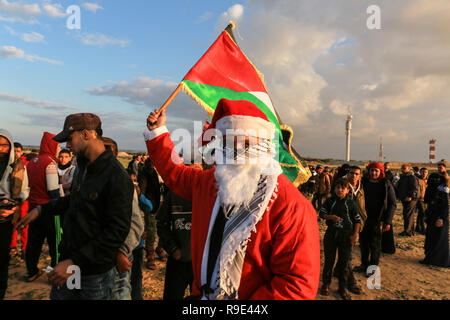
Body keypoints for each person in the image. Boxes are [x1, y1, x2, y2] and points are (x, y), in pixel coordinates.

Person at [144, 99, 320, 300]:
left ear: (264, 144)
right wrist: (158, 133)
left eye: (246, 143)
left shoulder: (291, 206)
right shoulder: (211, 182)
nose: (237, 151)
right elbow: (175, 173)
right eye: (228, 141)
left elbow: (296, 286)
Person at [16, 113, 134, 300]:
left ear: (86, 134)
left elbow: (116, 232)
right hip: (69, 262)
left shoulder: (116, 176)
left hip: (94, 275)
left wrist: (74, 263)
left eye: (69, 139)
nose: (67, 146)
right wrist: (41, 210)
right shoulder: (82, 166)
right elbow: (74, 201)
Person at [156, 161, 201, 300]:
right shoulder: (175, 195)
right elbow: (161, 222)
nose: (195, 176)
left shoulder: (209, 196)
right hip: (178, 262)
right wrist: (173, 248)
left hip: (201, 265)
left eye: (198, 173)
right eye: (191, 172)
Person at [25, 132, 61, 282]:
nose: (59, 148)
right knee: (55, 244)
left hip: (33, 208)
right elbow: (53, 190)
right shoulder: (50, 163)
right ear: (51, 145)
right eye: (58, 145)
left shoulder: (33, 161)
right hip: (48, 210)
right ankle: (53, 276)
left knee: (33, 243)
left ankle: (31, 272)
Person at [319, 178, 361, 300]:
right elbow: (321, 214)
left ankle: (342, 288)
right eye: (337, 188)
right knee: (329, 261)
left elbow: (357, 220)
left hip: (346, 236)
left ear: (348, 190)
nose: (340, 190)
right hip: (331, 234)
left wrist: (355, 235)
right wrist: (330, 217)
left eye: (343, 188)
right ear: (334, 189)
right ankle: (326, 284)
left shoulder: (351, 203)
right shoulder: (329, 201)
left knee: (344, 263)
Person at [0, 130, 29, 299]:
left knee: (2, 260)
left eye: (4, 145)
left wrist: (15, 203)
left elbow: (25, 189)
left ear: (10, 146)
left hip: (6, 218)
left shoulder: (17, 166)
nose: (1, 149)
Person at [354, 162, 396, 276]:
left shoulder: (385, 184)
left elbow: (392, 204)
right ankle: (364, 264)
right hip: (363, 218)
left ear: (381, 172)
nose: (373, 173)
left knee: (375, 245)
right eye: (371, 170)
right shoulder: (364, 183)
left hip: (378, 219)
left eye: (376, 171)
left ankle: (372, 268)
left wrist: (388, 221)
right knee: (363, 243)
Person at [138, 157, 166, 269]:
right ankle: (150, 254)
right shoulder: (147, 171)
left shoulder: (166, 168)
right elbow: (142, 189)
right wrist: (145, 203)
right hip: (152, 204)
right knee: (151, 229)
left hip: (165, 203)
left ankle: (160, 248)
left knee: (165, 227)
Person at [420, 173, 449, 267]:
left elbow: (446, 206)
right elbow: (429, 204)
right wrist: (426, 215)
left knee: (438, 240)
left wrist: (441, 218)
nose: (434, 181)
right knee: (430, 238)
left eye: (436, 179)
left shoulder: (444, 190)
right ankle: (429, 259)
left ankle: (438, 261)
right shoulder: (431, 189)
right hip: (431, 218)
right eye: (432, 178)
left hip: (440, 219)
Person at [10, 142, 30, 260]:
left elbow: (27, 187)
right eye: (14, 151)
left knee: (23, 225)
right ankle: (12, 248)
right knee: (12, 225)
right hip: (9, 202)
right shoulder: (7, 167)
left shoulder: (23, 167)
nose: (16, 153)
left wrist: (21, 197)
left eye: (18, 151)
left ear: (21, 152)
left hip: (22, 201)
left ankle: (24, 248)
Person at [397, 164, 420, 236]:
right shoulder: (403, 177)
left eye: (404, 168)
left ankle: (407, 232)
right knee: (408, 215)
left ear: (409, 169)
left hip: (410, 199)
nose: (403, 169)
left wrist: (410, 196)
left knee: (408, 215)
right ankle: (410, 231)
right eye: (402, 168)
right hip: (405, 198)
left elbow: (415, 188)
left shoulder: (412, 177)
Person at [415, 168, 428, 235]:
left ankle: (417, 227)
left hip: (425, 200)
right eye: (422, 172)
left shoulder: (427, 180)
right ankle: (423, 229)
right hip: (419, 199)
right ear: (420, 172)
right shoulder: (417, 180)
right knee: (423, 213)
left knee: (420, 213)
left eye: (425, 172)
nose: (424, 173)